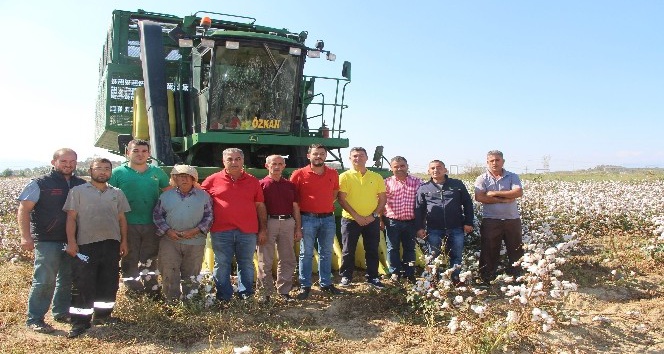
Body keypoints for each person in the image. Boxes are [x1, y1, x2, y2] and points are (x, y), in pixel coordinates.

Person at [17, 148, 87, 333]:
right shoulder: (40, 183)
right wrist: (26, 237)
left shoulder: (80, 184)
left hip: (72, 240)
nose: (68, 165)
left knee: (66, 278)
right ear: (53, 162)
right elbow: (24, 210)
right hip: (48, 239)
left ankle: (61, 312)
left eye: (72, 161)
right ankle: (35, 318)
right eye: (63, 161)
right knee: (44, 279)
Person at [63, 158, 131, 338]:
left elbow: (122, 219)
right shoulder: (77, 191)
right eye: (98, 168)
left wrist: (124, 241)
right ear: (90, 170)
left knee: (109, 281)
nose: (103, 172)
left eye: (106, 169)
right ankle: (79, 322)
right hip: (86, 244)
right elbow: (71, 218)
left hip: (111, 244)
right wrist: (71, 242)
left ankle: (103, 316)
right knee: (83, 282)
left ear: (110, 172)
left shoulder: (117, 193)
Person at [201, 148, 267, 301]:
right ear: (223, 161)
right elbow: (199, 201)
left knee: (246, 263)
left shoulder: (252, 181)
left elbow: (260, 206)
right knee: (221, 264)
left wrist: (263, 229)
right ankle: (224, 296)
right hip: (221, 231)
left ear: (243, 161)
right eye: (230, 159)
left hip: (247, 231)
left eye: (237, 159)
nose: (234, 162)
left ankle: (246, 295)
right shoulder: (212, 180)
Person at [108, 139, 170, 295]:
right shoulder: (117, 173)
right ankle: (134, 292)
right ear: (127, 153)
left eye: (144, 151)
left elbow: (170, 192)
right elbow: (106, 196)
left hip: (152, 224)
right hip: (126, 225)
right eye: (135, 151)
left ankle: (152, 291)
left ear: (149, 154)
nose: (140, 154)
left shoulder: (157, 173)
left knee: (150, 259)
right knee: (129, 259)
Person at [153, 165, 213, 301]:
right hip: (170, 241)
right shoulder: (165, 196)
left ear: (193, 179)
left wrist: (195, 230)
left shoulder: (203, 196)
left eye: (187, 177)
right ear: (175, 179)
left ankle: (190, 301)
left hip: (195, 241)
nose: (184, 179)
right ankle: (171, 302)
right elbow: (157, 215)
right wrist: (168, 231)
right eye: (180, 177)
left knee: (191, 273)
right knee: (169, 271)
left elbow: (209, 216)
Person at [290, 144, 341, 299]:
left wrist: (322, 205)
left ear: (325, 156)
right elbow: (293, 200)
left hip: (328, 219)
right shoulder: (298, 174)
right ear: (308, 156)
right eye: (315, 154)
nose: (318, 156)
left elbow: (334, 193)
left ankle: (325, 283)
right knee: (306, 253)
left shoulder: (333, 173)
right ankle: (305, 285)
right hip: (307, 218)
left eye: (321, 154)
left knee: (326, 252)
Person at [415, 160, 474, 285]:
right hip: (434, 228)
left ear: (445, 170)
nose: (436, 170)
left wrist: (469, 222)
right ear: (428, 171)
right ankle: (433, 280)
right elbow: (419, 209)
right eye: (432, 168)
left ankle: (455, 279)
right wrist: (420, 227)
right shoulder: (424, 188)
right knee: (433, 255)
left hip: (456, 227)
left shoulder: (457, 184)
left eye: (439, 167)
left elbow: (468, 204)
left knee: (456, 255)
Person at [337, 147, 387, 289]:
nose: (358, 158)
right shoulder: (344, 176)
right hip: (350, 220)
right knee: (348, 249)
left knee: (372, 249)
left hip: (372, 220)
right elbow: (342, 200)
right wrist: (357, 216)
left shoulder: (376, 177)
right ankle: (346, 276)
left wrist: (374, 215)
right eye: (354, 156)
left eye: (361, 156)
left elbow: (382, 199)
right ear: (350, 158)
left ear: (366, 158)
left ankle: (373, 277)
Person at [256, 155, 302, 302]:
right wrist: (261, 229)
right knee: (265, 259)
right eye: (273, 164)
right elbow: (258, 207)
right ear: (267, 166)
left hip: (288, 222)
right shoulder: (261, 185)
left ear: (284, 166)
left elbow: (295, 207)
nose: (276, 166)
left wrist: (297, 227)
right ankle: (265, 293)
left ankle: (284, 291)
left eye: (280, 164)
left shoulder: (290, 186)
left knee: (287, 258)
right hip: (269, 222)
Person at [474, 150, 524, 284]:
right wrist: (503, 199)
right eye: (491, 161)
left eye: (497, 160)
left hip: (512, 219)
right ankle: (487, 277)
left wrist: (493, 193)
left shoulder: (512, 176)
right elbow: (479, 196)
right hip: (491, 219)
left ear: (503, 161)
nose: (494, 163)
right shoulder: (482, 178)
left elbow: (518, 192)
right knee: (489, 249)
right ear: (487, 162)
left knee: (516, 249)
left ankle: (517, 276)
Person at [382, 156, 421, 283]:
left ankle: (409, 273)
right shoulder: (386, 182)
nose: (399, 169)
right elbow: (381, 202)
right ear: (391, 168)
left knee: (410, 248)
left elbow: (422, 202)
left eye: (402, 166)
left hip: (410, 222)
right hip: (392, 221)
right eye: (396, 166)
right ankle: (395, 272)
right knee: (392, 248)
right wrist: (380, 220)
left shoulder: (417, 182)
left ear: (407, 166)